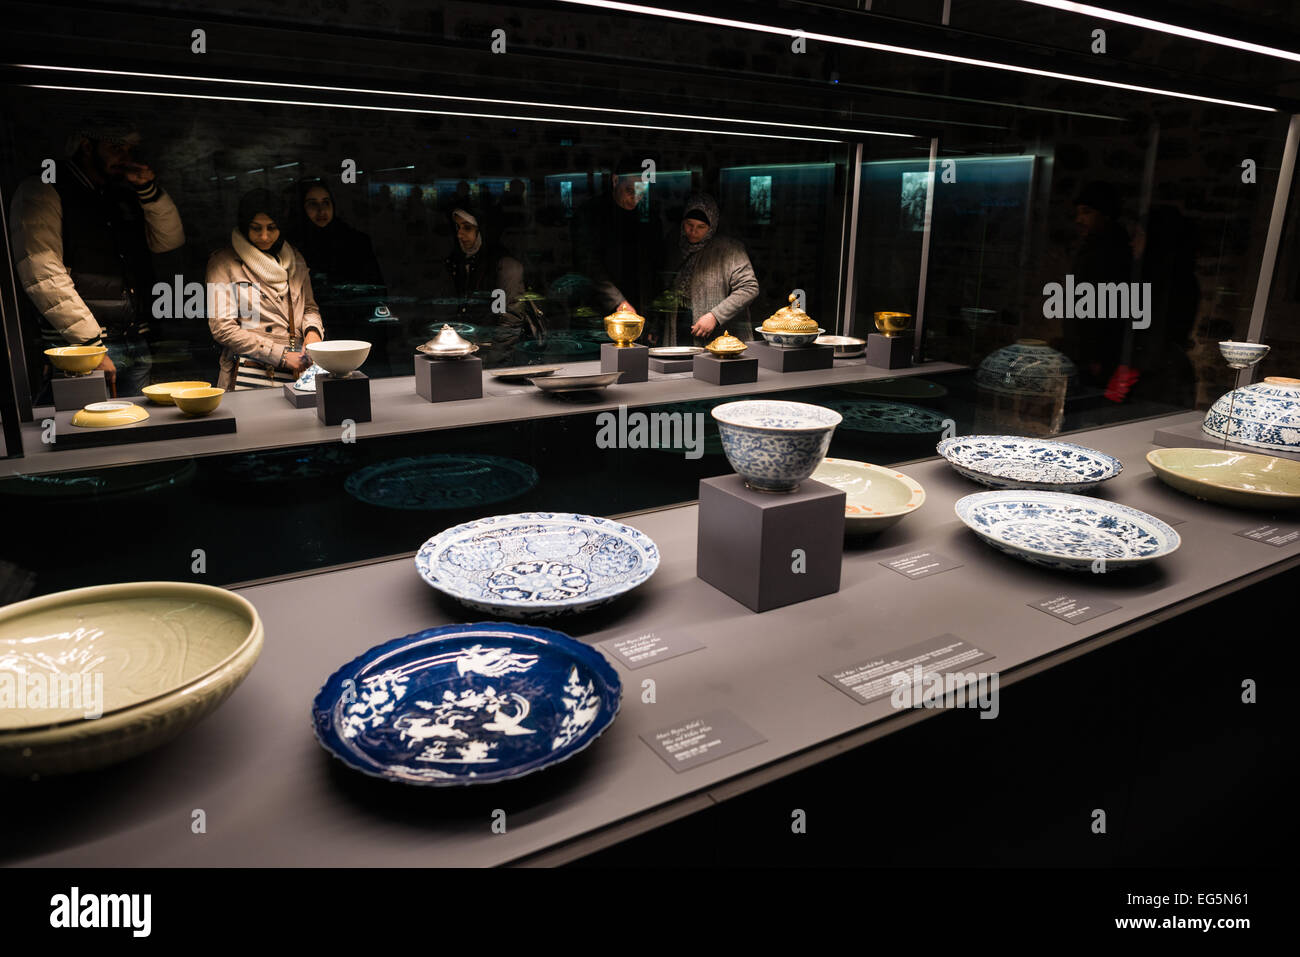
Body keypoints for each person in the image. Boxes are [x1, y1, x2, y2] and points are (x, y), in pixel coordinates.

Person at [8, 118, 185, 398]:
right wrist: (89, 345)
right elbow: (42, 272)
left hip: (134, 338)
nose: (124, 158)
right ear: (87, 147)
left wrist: (147, 190)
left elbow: (168, 241)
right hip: (83, 348)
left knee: (141, 435)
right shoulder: (44, 187)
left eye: (129, 150)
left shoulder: (117, 194)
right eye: (115, 148)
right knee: (89, 433)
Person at [207, 189, 323, 390]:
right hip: (251, 371)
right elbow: (223, 328)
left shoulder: (295, 259)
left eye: (272, 227)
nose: (264, 236)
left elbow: (309, 309)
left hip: (300, 370)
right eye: (255, 228)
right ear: (244, 226)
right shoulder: (223, 263)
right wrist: (281, 355)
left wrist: (313, 333)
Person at [442, 205, 539, 365]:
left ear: (482, 231)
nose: (460, 234)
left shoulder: (503, 266)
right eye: (458, 228)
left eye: (467, 228)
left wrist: (494, 359)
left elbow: (508, 318)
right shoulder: (459, 262)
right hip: (469, 353)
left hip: (492, 357)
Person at [570, 155, 665, 317]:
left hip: (639, 309)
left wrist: (653, 319)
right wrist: (617, 302)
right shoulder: (590, 213)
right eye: (630, 190)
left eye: (641, 192)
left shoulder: (650, 219)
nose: (636, 197)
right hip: (597, 310)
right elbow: (588, 264)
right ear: (615, 181)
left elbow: (653, 269)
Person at [661, 193, 758, 345]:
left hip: (718, 334)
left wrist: (715, 316)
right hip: (679, 328)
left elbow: (749, 287)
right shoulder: (675, 246)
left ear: (712, 226)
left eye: (701, 227)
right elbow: (666, 289)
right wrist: (656, 327)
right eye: (689, 224)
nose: (693, 231)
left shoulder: (729, 250)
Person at [1066, 181, 1132, 392]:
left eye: (1087, 212)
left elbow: (1107, 308)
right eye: (1079, 213)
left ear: (1105, 214)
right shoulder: (1095, 249)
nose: (1080, 220)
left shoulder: (1111, 253)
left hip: (1097, 352)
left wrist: (1095, 355)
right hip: (1087, 349)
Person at [288, 179, 385, 297]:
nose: (321, 210)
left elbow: (376, 289)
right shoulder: (290, 246)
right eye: (312, 204)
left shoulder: (356, 242)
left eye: (326, 202)